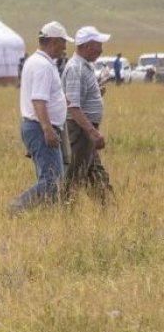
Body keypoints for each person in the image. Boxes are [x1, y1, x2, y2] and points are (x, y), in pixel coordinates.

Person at [9, 21, 72, 215]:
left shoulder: (37, 62)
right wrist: (47, 129)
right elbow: (38, 100)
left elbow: (47, 97)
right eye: (63, 43)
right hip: (40, 127)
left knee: (50, 177)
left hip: (38, 126)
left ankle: (47, 217)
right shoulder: (43, 66)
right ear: (53, 41)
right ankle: (17, 207)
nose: (65, 48)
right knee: (52, 179)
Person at [62, 25, 114, 202]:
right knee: (76, 173)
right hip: (81, 130)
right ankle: (65, 211)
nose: (101, 50)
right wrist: (92, 132)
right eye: (98, 45)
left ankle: (108, 208)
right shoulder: (76, 68)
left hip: (85, 129)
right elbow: (73, 107)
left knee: (95, 171)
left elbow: (78, 98)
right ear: (87, 46)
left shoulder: (84, 66)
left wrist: (96, 93)